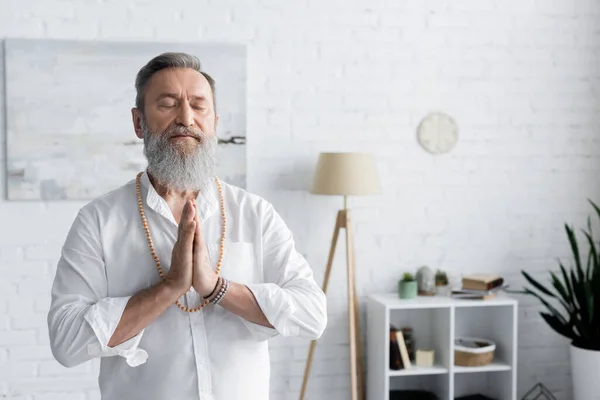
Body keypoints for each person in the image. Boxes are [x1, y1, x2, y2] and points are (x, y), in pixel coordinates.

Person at [47, 52, 327, 400]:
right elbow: (66, 340)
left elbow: (312, 314)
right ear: (138, 122)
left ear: (214, 122)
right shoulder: (99, 221)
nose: (186, 117)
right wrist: (170, 288)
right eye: (167, 104)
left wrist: (216, 288)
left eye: (198, 105)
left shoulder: (255, 213)